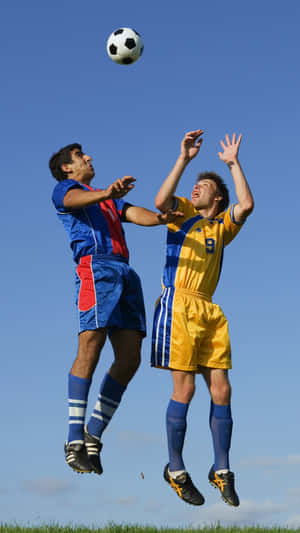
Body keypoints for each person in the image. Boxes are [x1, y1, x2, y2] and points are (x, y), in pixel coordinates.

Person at [49, 143, 182, 475]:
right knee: (90, 345)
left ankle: (92, 434)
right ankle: (73, 440)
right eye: (81, 157)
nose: (89, 157)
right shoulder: (66, 190)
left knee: (130, 357)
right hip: (96, 269)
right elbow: (70, 202)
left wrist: (163, 218)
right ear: (67, 168)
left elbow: (136, 214)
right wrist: (106, 191)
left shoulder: (107, 198)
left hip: (125, 271)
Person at [151, 129, 254, 507]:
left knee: (222, 389)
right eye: (196, 185)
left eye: (205, 185)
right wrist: (184, 160)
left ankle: (221, 469)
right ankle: (175, 469)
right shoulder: (180, 214)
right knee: (186, 390)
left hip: (209, 309)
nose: (197, 189)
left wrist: (233, 164)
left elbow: (247, 205)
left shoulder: (220, 227)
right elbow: (160, 199)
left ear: (218, 197)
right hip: (179, 305)